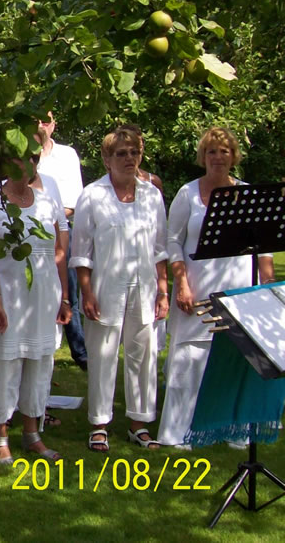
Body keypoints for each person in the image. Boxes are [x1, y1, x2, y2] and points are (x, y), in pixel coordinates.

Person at [157, 127, 275, 449]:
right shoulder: (187, 194)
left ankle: (234, 431)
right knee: (188, 364)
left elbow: (264, 246)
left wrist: (266, 287)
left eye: (224, 151)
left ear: (234, 156)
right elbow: (173, 241)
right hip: (196, 291)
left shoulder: (249, 194)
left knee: (235, 363)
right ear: (203, 156)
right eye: (212, 151)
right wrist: (181, 283)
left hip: (240, 293)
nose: (218, 157)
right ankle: (178, 433)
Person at [70, 127, 170, 452]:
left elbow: (160, 248)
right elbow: (81, 251)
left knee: (144, 355)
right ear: (107, 158)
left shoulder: (152, 195)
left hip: (145, 286)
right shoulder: (92, 195)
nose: (129, 159)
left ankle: (139, 423)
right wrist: (86, 291)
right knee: (102, 355)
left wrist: (163, 290)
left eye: (134, 152)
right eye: (122, 153)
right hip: (105, 287)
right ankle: (99, 424)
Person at [0, 153, 71, 465]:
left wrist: (64, 297)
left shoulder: (48, 201)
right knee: (4, 363)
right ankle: (1, 436)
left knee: (40, 362)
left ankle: (33, 433)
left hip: (44, 296)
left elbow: (59, 250)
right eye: (21, 158)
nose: (28, 164)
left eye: (33, 158)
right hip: (8, 296)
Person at [36, 111, 88, 370]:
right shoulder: (22, 155)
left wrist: (46, 218)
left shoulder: (67, 155)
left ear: (54, 125)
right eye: (36, 120)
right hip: (29, 234)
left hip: (61, 230)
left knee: (69, 292)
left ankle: (80, 351)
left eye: (45, 120)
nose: (40, 125)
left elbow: (74, 200)